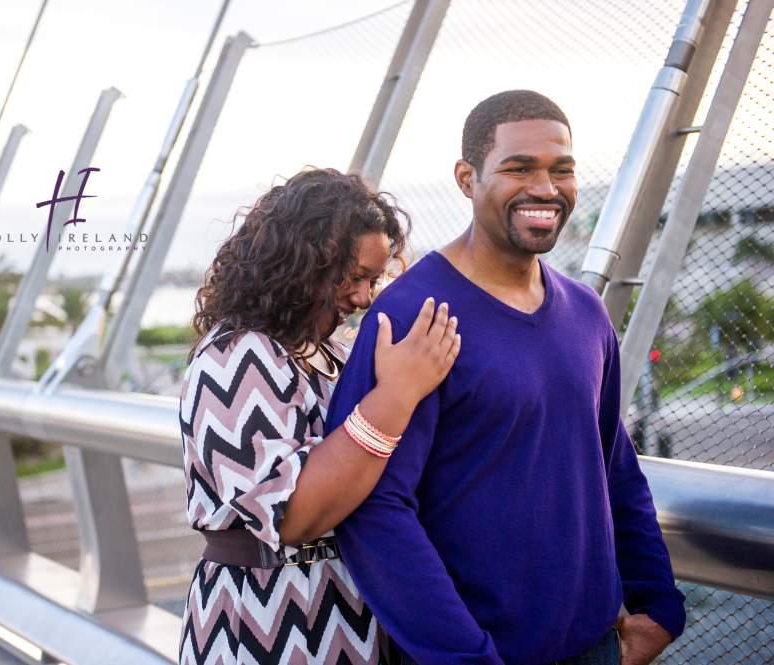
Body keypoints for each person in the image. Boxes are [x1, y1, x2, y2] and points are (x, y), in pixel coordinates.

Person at [326, 90, 686, 665]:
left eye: (561, 170)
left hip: (596, 645)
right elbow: (373, 510)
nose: (545, 189)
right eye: (519, 168)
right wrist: (466, 657)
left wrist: (661, 607)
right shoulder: (411, 314)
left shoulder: (587, 313)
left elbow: (614, 464)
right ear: (467, 179)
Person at [178, 167, 461, 665]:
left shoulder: (327, 352)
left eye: (373, 279)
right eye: (352, 277)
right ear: (295, 264)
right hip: (264, 619)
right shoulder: (238, 356)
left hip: (348, 612)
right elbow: (293, 516)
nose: (363, 298)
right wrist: (397, 393)